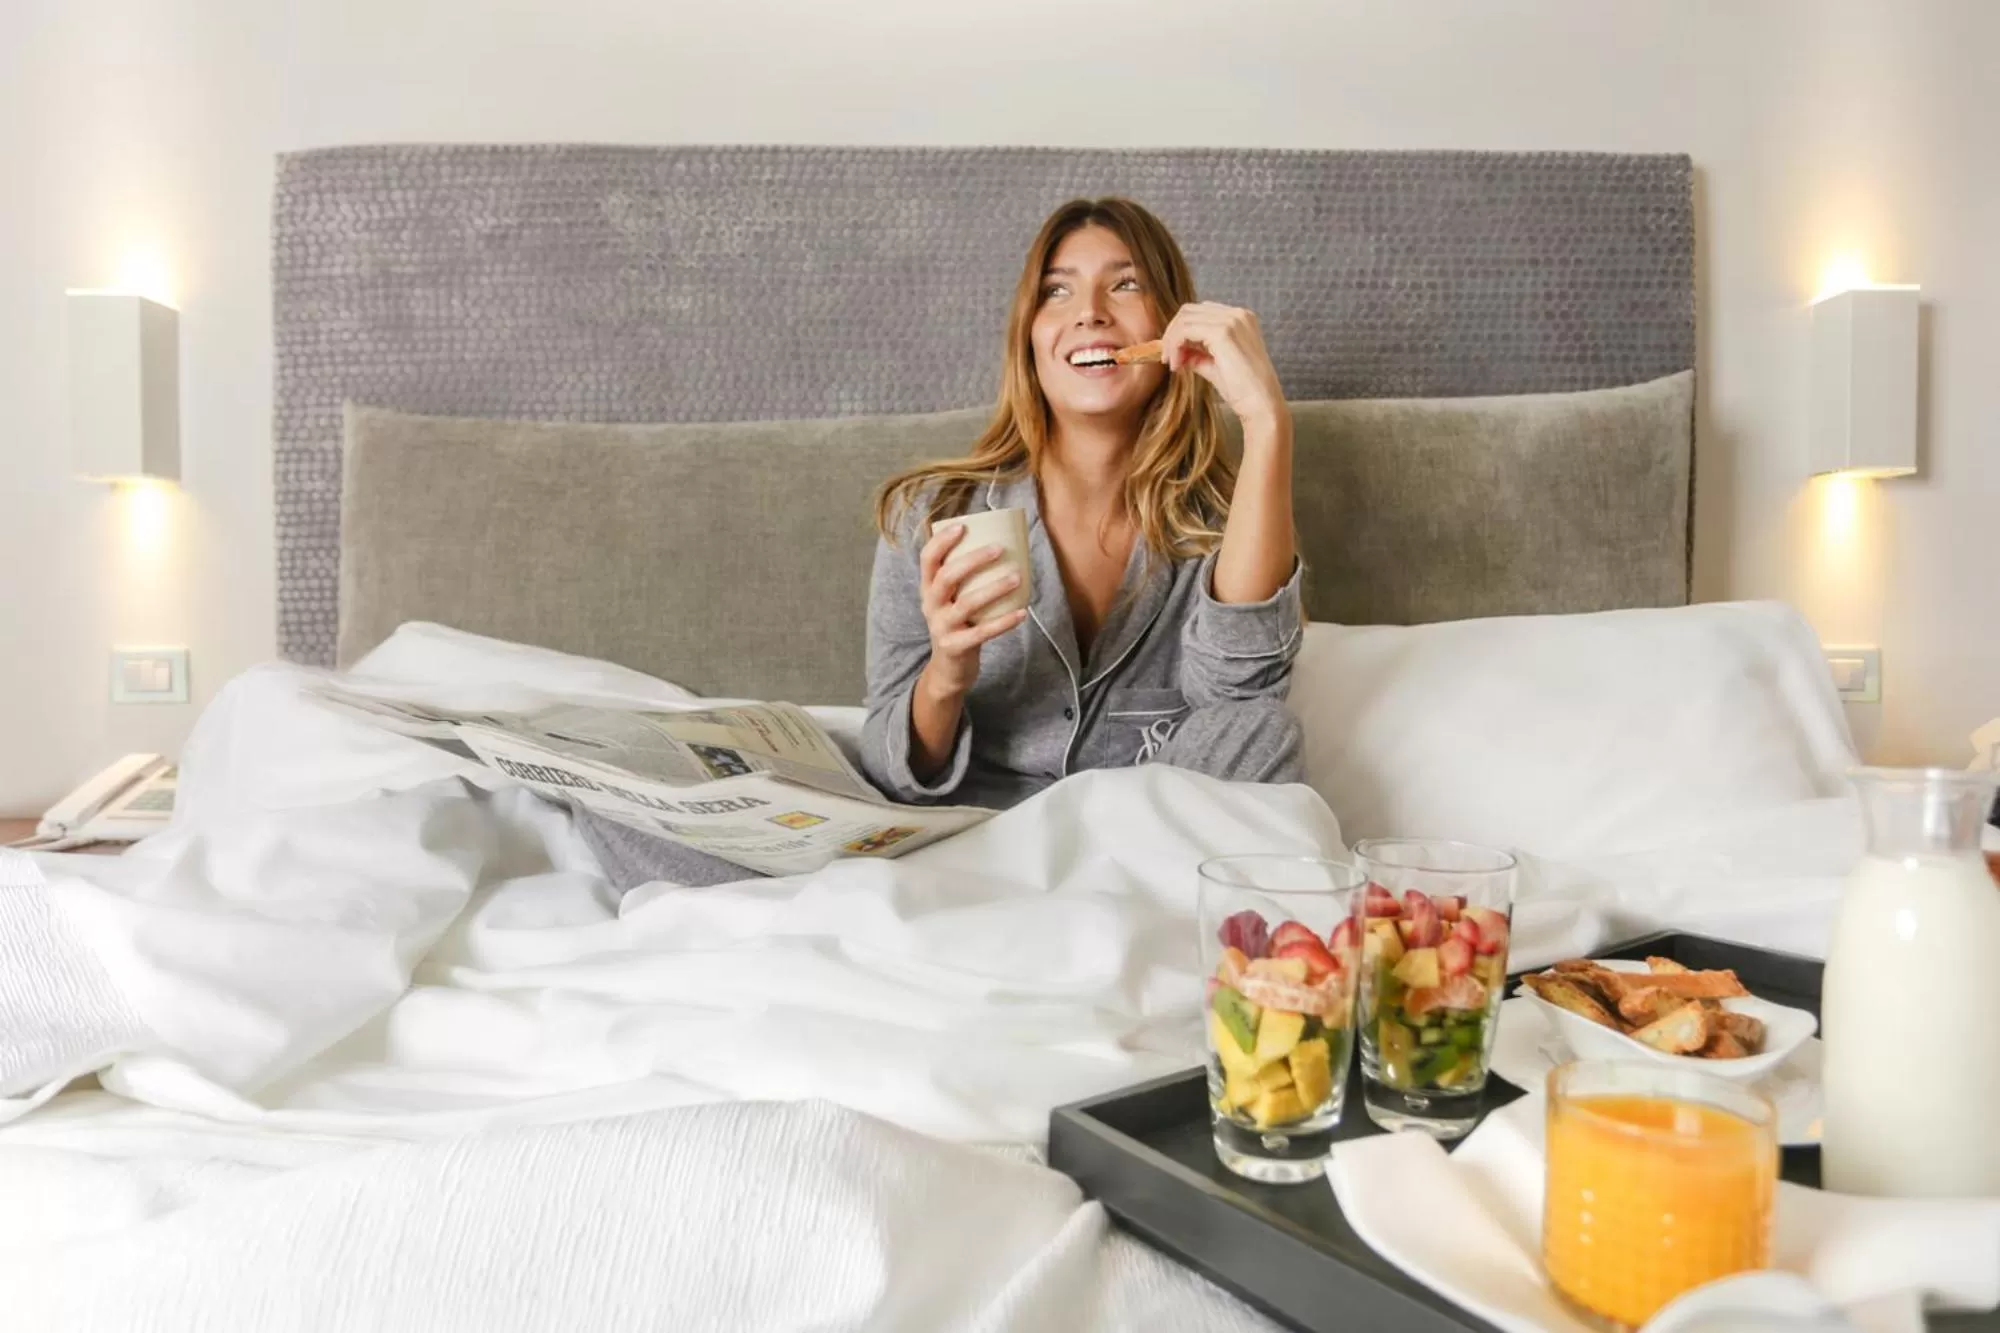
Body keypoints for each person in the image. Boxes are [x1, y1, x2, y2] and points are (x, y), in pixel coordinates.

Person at [861, 196, 1304, 810]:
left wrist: (1265, 419)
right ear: (1029, 337)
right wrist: (947, 675)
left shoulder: (1229, 523)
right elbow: (888, 773)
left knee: (1262, 729)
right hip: (987, 834)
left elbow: (1242, 697)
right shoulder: (928, 514)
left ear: (1172, 328)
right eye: (1057, 291)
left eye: (1125, 285)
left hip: (1146, 832)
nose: (1090, 314)